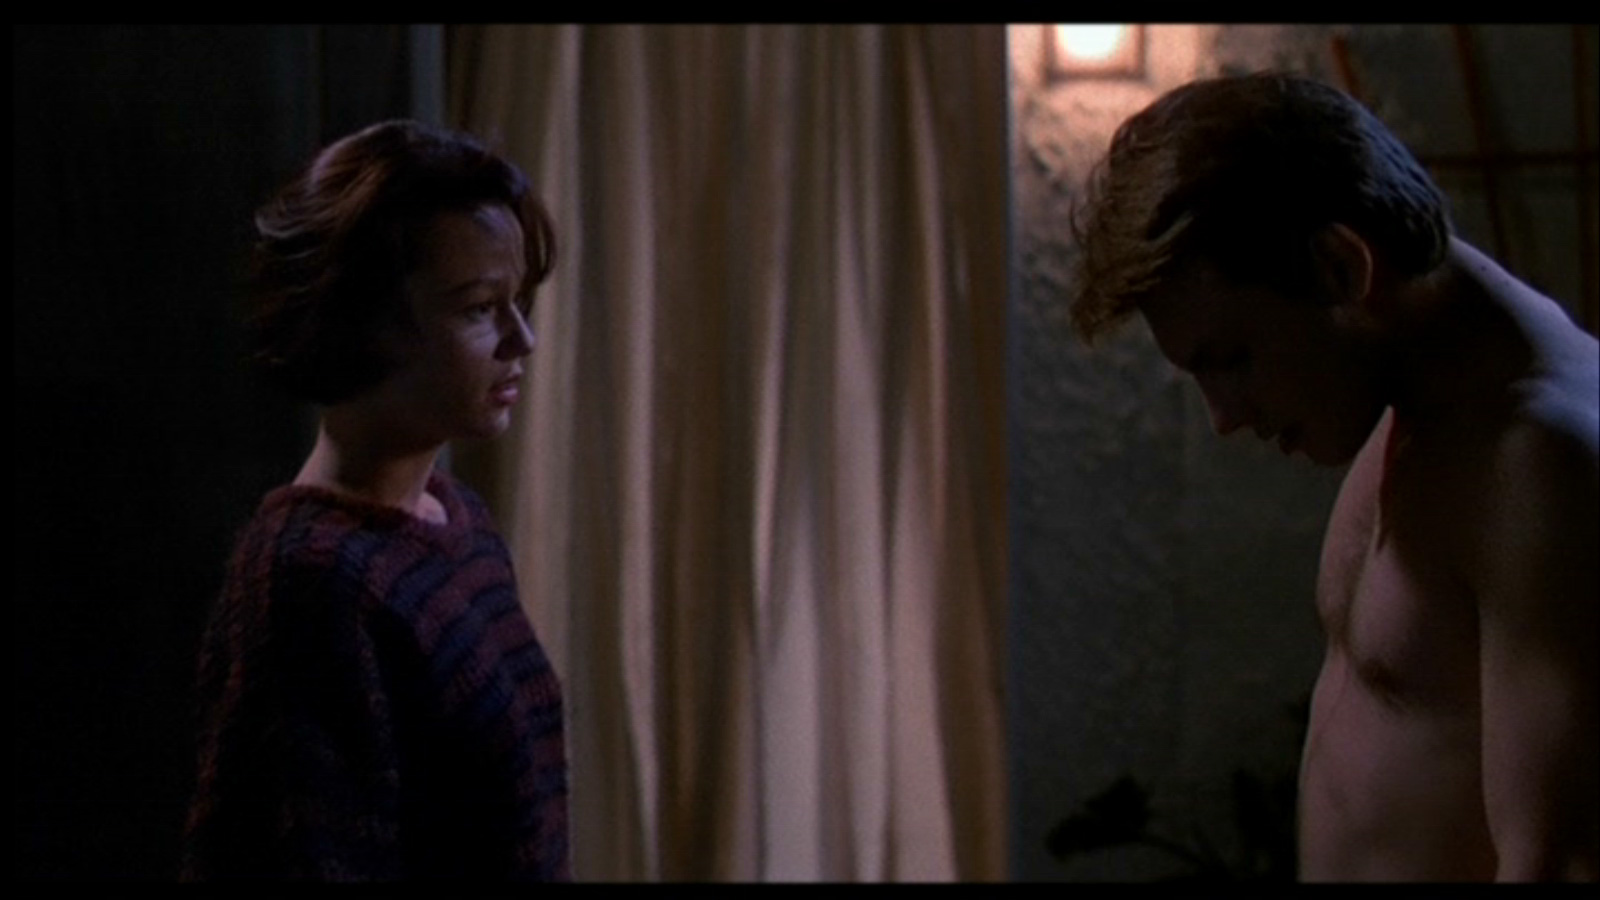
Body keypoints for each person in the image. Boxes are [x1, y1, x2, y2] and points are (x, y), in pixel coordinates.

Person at [1068, 72, 1597, 882]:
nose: (1224, 417)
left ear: (1341, 268)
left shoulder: (1537, 467)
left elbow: (1560, 864)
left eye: (1232, 359)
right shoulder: (1423, 409)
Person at [181, 120, 570, 881]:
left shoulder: (459, 524)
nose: (521, 339)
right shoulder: (308, 580)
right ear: (368, 321)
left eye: (519, 300)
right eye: (479, 307)